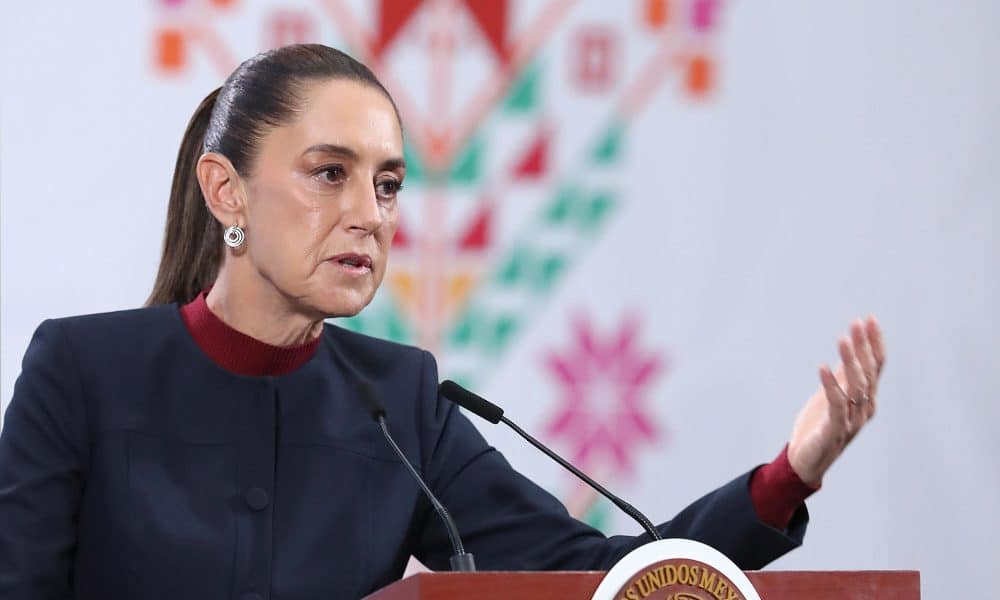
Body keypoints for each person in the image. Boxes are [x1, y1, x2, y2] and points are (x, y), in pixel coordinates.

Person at [0, 44, 885, 600]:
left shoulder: (401, 401)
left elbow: (598, 580)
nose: (370, 214)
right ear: (225, 189)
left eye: (387, 183)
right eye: (328, 173)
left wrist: (786, 477)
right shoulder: (80, 371)